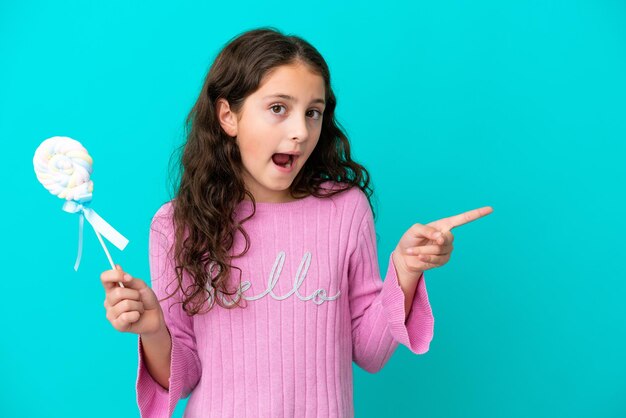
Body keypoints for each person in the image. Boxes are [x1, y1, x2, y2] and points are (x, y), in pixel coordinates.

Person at [100, 27, 492, 418]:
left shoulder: (345, 210)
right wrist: (153, 329)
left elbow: (370, 353)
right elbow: (182, 377)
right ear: (227, 116)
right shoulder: (176, 224)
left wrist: (405, 270)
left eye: (313, 112)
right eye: (278, 109)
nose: (301, 132)